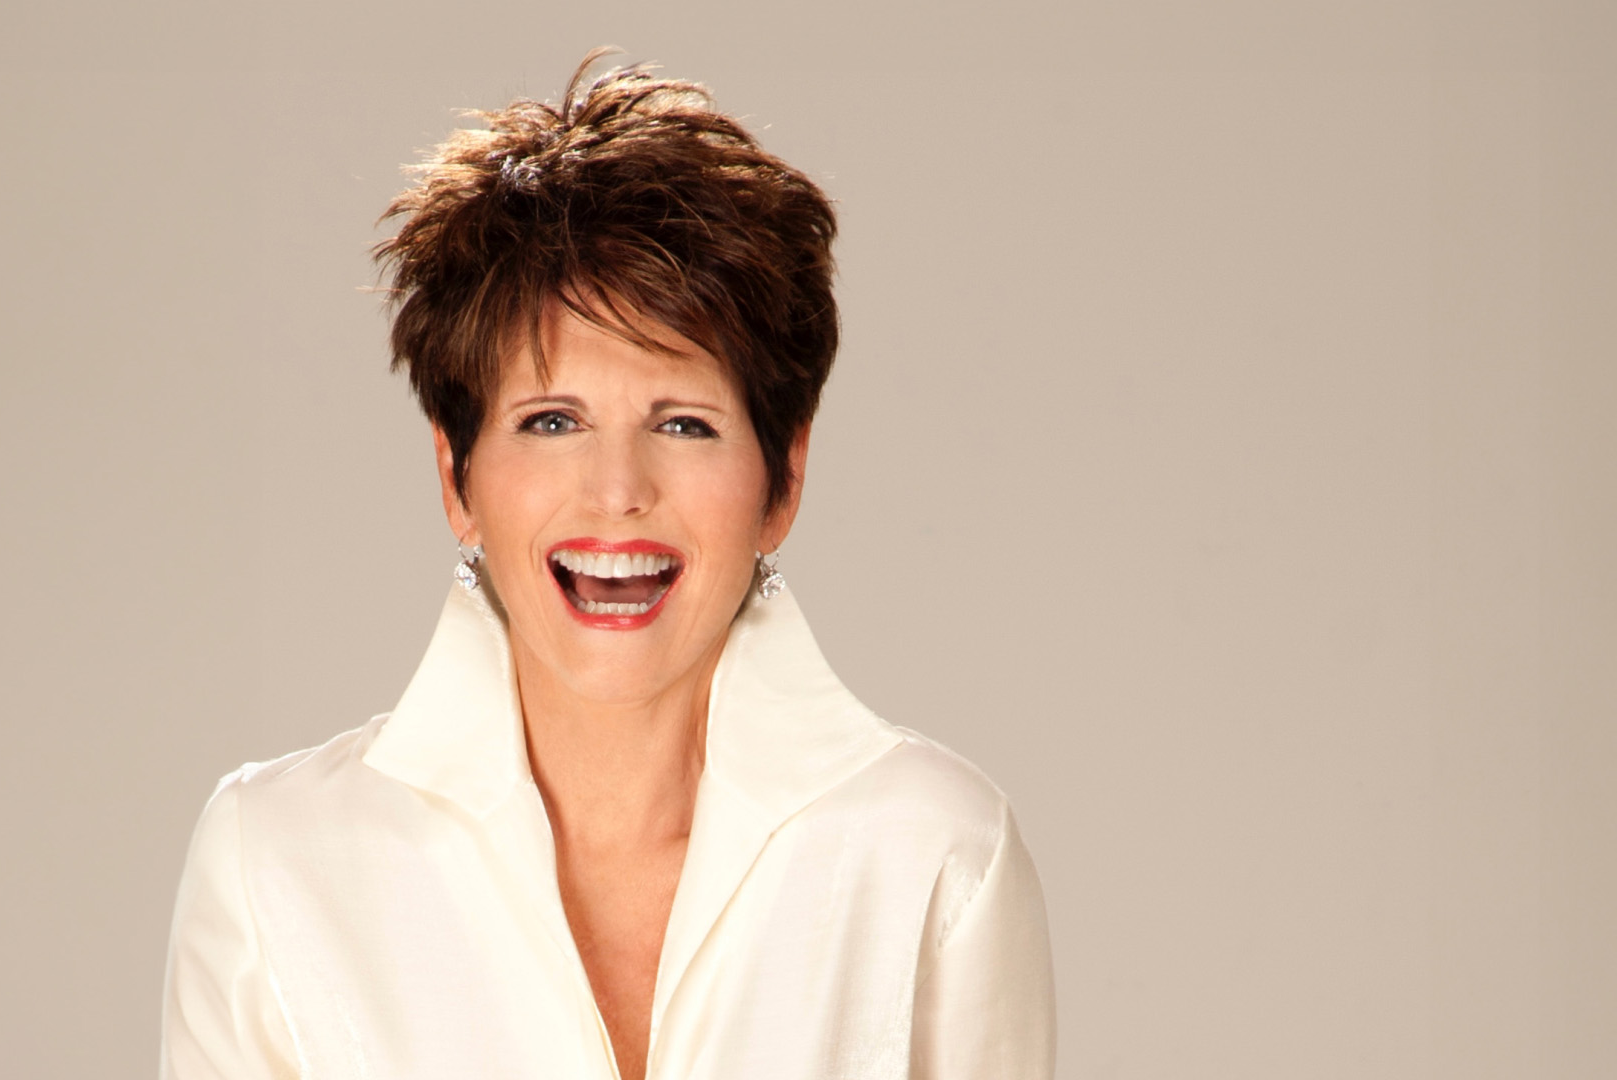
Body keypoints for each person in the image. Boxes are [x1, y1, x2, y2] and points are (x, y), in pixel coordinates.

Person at [159, 48, 1056, 1080]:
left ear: (784, 479)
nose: (618, 490)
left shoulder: (937, 856)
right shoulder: (275, 864)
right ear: (457, 477)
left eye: (683, 424)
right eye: (552, 421)